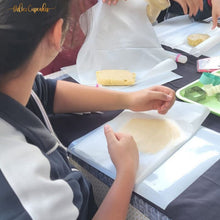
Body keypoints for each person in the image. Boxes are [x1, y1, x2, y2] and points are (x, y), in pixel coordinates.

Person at [0, 0, 176, 219]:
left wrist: (129, 99)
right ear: (57, 33)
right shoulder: (25, 191)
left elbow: (44, 91)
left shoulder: (13, 80)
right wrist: (126, 172)